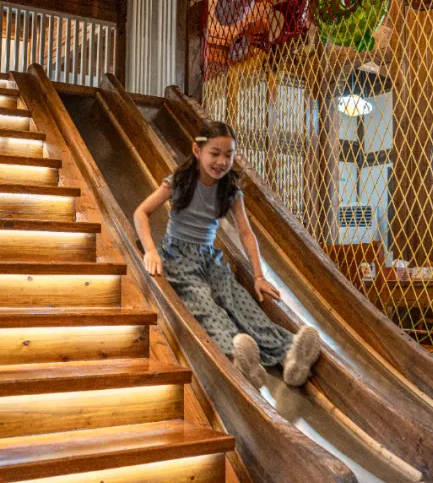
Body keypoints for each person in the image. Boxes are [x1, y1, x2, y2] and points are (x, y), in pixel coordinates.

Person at [133, 121, 321, 389]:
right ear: (197, 151)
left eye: (228, 155)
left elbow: (245, 233)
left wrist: (259, 276)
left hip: (210, 259)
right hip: (177, 257)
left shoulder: (230, 190)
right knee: (204, 304)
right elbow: (141, 212)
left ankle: (289, 354)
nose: (221, 161)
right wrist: (151, 251)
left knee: (238, 300)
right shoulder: (180, 181)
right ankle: (238, 357)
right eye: (215, 153)